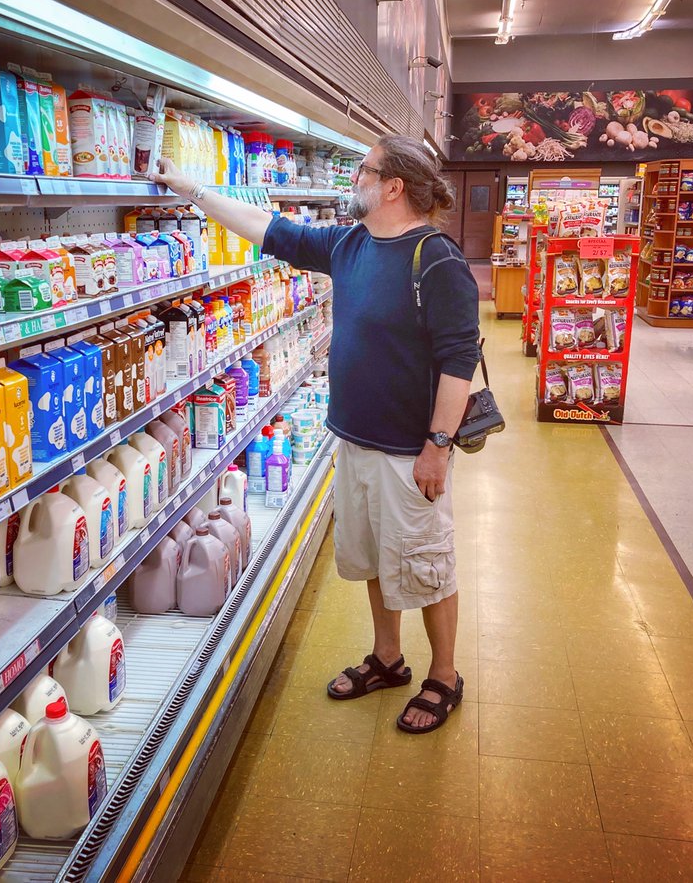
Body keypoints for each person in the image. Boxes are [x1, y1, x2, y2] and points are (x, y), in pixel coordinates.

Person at [152, 135, 481, 733]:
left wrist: (439, 446)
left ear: (393, 187)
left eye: (364, 171)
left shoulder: (437, 260)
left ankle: (445, 675)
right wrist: (190, 190)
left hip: (412, 451)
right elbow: (266, 227)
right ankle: (388, 658)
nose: (354, 179)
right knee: (379, 559)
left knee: (428, 565)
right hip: (354, 439)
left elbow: (459, 362)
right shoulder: (351, 244)